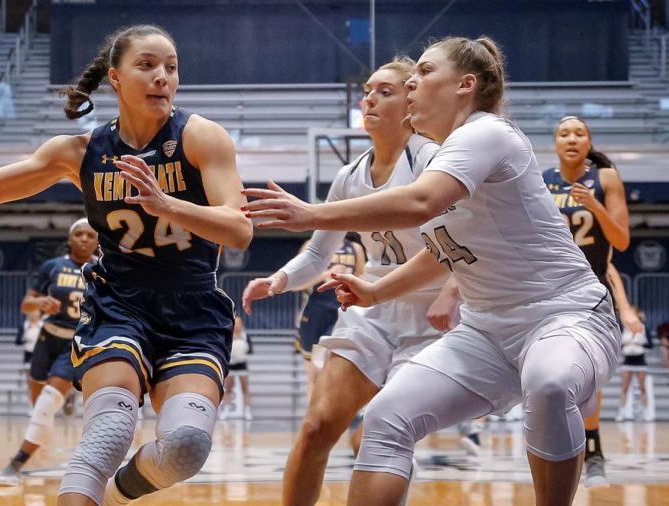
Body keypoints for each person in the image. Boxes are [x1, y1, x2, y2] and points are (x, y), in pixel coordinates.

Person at [0, 24, 250, 505]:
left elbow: (239, 228)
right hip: (119, 305)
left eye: (171, 67)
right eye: (146, 65)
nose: (162, 76)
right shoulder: (79, 152)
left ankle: (119, 494)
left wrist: (168, 205)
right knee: (111, 430)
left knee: (186, 447)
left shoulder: (201, 138)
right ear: (116, 79)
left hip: (194, 311)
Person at [242, 36, 620, 506]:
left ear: (465, 85)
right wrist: (376, 293)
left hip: (567, 315)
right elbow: (444, 251)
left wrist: (313, 214)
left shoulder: (487, 133)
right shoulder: (443, 156)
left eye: (423, 71)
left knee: (549, 381)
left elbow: (422, 203)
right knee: (385, 416)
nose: (412, 82)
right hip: (487, 330)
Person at [241, 57, 447, 506]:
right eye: (368, 90)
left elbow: (464, 242)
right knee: (316, 428)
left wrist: (452, 291)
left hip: (433, 318)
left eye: (385, 91)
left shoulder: (435, 163)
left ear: (411, 103)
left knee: (382, 434)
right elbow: (318, 251)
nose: (369, 97)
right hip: (372, 311)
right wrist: (277, 279)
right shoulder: (349, 175)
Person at [543, 117, 642, 487]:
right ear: (555, 143)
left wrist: (594, 206)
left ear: (589, 142)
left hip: (590, 288)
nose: (572, 138)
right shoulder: (542, 182)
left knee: (585, 374)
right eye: (564, 133)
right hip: (548, 288)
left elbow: (621, 241)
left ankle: (594, 447)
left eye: (579, 133)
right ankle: (555, 445)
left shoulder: (606, 179)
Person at [0, 218, 99, 487]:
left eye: (90, 235)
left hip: (75, 345)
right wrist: (40, 302)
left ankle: (15, 463)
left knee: (44, 407)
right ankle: (49, 418)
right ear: (69, 239)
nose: (84, 239)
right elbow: (25, 305)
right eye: (78, 234)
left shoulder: (103, 271)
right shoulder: (52, 267)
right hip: (46, 339)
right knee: (38, 408)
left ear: (98, 241)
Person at [292, 236, 364, 398]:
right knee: (313, 374)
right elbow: (296, 284)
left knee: (332, 372)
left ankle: (333, 417)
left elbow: (364, 282)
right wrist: (326, 275)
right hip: (314, 313)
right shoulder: (310, 246)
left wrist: (349, 280)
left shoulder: (355, 249)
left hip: (343, 313)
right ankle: (312, 418)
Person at [617, 305, 652, 422]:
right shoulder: (624, 327)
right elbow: (619, 343)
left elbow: (650, 344)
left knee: (642, 387)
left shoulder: (643, 327)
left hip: (640, 360)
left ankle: (646, 413)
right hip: (628, 360)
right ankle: (621, 413)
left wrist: (639, 341)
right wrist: (628, 341)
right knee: (624, 388)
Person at [220, 315, 254, 421]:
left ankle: (248, 411)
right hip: (230, 367)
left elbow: (251, 350)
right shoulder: (228, 336)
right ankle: (226, 410)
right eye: (236, 323)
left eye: (239, 323)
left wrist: (242, 353)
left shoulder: (245, 336)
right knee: (228, 389)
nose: (237, 325)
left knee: (245, 389)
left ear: (242, 324)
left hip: (242, 366)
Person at [16, 309, 45, 404]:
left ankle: (40, 403)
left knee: (40, 382)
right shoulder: (25, 325)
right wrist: (25, 337)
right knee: (30, 382)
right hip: (28, 355)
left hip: (39, 355)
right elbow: (17, 341)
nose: (34, 316)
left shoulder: (43, 325)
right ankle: (31, 404)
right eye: (32, 314)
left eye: (36, 314)